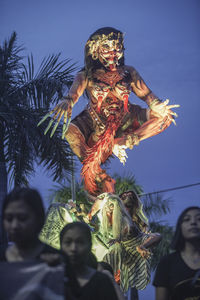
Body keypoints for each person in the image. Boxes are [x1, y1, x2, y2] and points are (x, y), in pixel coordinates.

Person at [38, 26, 179, 196]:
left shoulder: (129, 72)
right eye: (107, 47)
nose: (113, 52)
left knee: (166, 117)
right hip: (94, 120)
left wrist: (158, 105)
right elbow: (74, 93)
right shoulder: (86, 75)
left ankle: (122, 142)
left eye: (117, 47)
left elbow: (147, 95)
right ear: (95, 50)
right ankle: (98, 176)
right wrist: (67, 102)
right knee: (69, 132)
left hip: (126, 118)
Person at [60, 221, 119, 299]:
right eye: (68, 242)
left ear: (90, 245)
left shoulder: (102, 282)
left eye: (80, 242)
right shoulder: (52, 278)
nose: (73, 248)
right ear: (61, 245)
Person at [153, 206, 200, 300]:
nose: (193, 222)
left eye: (199, 219)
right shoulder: (167, 263)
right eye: (187, 219)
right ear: (180, 228)